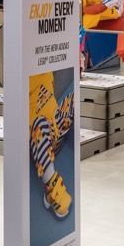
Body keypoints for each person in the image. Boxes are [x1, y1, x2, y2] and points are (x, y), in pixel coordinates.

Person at [29, 71, 74, 219]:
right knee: (39, 123)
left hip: (57, 122)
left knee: (74, 99)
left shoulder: (46, 69)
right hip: (41, 135)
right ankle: (51, 189)